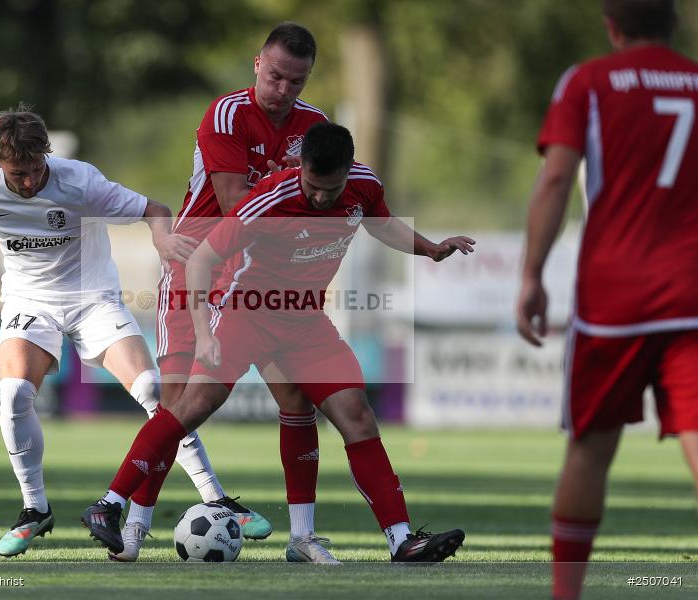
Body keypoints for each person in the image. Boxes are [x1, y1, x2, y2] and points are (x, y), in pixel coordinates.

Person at [0, 104, 245, 560]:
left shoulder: (80, 181)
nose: (28, 182)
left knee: (153, 391)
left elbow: (155, 208)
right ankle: (34, 509)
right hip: (30, 303)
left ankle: (215, 497)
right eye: (17, 173)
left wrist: (161, 237)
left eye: (35, 170)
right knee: (14, 397)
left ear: (47, 154)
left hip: (93, 298)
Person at [83, 122, 473, 563]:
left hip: (306, 322)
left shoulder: (364, 187)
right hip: (244, 313)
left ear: (349, 170)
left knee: (356, 416)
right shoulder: (270, 198)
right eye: (313, 185)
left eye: (332, 188)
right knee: (189, 409)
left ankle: (397, 540)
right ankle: (109, 505)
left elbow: (383, 225)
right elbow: (204, 259)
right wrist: (205, 331)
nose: (321, 197)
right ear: (300, 167)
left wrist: (431, 248)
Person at [515, 1, 698, 598]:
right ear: (674, 24)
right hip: (693, 292)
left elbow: (556, 179)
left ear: (611, 25)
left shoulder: (588, 82)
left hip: (615, 298)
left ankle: (566, 595)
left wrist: (531, 275)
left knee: (590, 451)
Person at [142, 21, 329, 562]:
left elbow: (329, 194)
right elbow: (234, 204)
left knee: (295, 398)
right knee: (177, 399)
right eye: (276, 76)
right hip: (199, 260)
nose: (284, 90)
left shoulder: (315, 125)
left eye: (297, 81)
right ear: (257, 64)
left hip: (263, 273)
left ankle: (302, 537)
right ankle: (131, 522)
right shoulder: (226, 114)